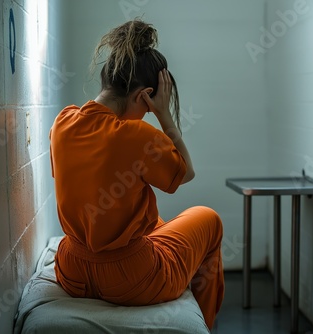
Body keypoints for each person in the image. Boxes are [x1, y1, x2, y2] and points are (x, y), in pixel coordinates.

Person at [49, 19, 224, 330]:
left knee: (154, 223)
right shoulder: (137, 136)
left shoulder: (62, 123)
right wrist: (165, 116)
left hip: (72, 270)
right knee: (208, 219)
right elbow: (187, 173)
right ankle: (206, 325)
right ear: (145, 96)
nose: (146, 113)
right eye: (148, 106)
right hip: (131, 280)